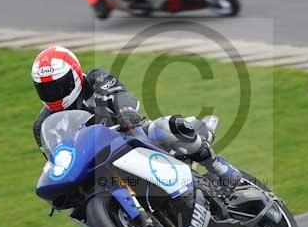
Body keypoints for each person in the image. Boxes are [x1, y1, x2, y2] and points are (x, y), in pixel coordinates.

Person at [31, 45, 240, 190]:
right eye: (45, 89)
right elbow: (58, 159)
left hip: (131, 135)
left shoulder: (96, 79)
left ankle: (221, 169)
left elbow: (119, 94)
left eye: (58, 86)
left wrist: (125, 111)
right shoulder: (43, 125)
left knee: (168, 127)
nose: (53, 94)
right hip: (97, 166)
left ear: (75, 75)